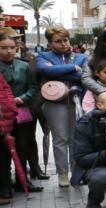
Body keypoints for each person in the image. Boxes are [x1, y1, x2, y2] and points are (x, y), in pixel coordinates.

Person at [36, 25, 88, 187]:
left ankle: (77, 172)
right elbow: (45, 70)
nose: (64, 44)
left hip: (76, 101)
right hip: (54, 103)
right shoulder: (43, 56)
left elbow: (85, 76)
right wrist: (72, 68)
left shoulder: (81, 57)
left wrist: (57, 70)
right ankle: (62, 174)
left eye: (65, 40)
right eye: (58, 41)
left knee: (76, 139)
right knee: (60, 139)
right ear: (50, 43)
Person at [0, 34, 42, 196]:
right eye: (4, 48)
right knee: (3, 150)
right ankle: (4, 184)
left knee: (23, 147)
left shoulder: (24, 66)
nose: (9, 51)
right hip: (2, 114)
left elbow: (33, 87)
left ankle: (22, 181)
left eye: (12, 47)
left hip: (22, 111)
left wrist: (22, 98)